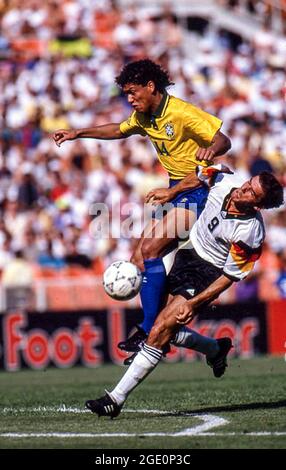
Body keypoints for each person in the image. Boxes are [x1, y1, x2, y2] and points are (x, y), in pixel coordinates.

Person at [53, 59, 231, 356]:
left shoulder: (181, 112)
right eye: (126, 94)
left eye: (133, 92)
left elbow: (222, 139)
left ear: (151, 87)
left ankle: (148, 328)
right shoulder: (144, 117)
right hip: (176, 189)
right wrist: (78, 132)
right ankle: (211, 347)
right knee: (138, 258)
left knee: (149, 251)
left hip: (199, 189)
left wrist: (211, 149)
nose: (130, 99)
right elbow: (118, 130)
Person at [85, 166, 284, 418]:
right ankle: (214, 349)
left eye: (251, 193)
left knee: (160, 329)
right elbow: (200, 175)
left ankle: (115, 399)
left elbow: (228, 278)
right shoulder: (225, 180)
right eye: (248, 183)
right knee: (163, 322)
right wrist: (173, 192)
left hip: (207, 274)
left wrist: (195, 303)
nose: (243, 189)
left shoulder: (251, 233)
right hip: (185, 253)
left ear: (258, 205)